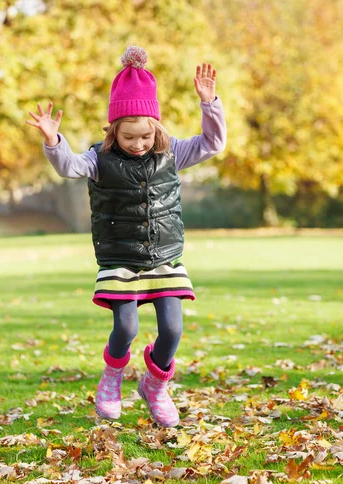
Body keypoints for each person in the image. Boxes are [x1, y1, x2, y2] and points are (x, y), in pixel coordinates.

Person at [25, 46, 227, 428]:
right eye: (130, 137)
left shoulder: (173, 153)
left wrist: (210, 104)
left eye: (146, 136)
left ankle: (155, 385)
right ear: (113, 130)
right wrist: (54, 141)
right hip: (119, 260)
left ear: (157, 129)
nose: (138, 144)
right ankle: (111, 379)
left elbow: (213, 144)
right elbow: (68, 167)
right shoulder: (98, 159)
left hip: (164, 256)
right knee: (127, 327)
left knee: (172, 330)